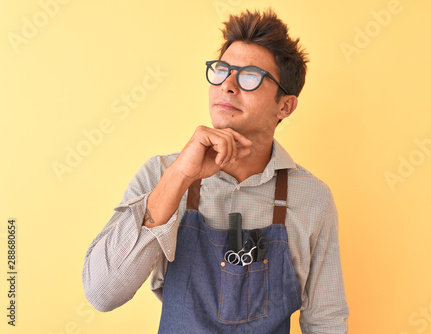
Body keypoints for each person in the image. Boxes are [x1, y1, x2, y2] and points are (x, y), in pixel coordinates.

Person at [83, 8, 349, 334]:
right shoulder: (162, 174)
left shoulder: (312, 199)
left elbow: (326, 322)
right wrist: (181, 176)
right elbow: (101, 293)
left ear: (285, 106)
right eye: (222, 70)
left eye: (250, 76)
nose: (228, 85)